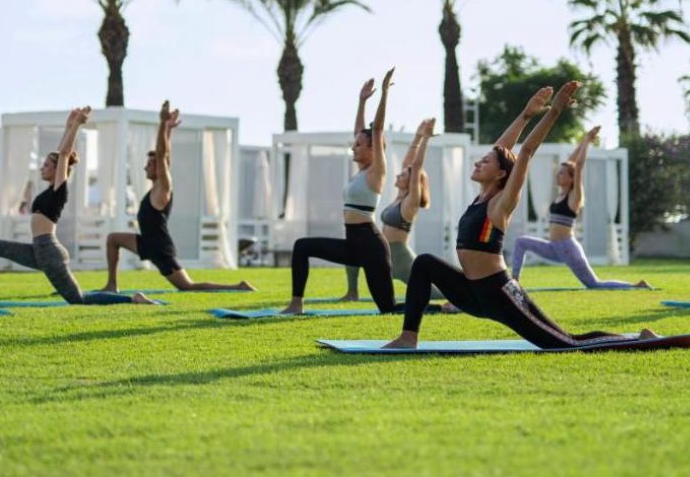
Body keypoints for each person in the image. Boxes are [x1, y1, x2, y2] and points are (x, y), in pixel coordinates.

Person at [383, 82, 659, 350]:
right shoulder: (481, 197)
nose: (479, 162)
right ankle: (408, 337)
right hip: (471, 291)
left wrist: (554, 112)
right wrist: (525, 115)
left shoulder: (501, 204)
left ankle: (638, 339)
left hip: (499, 293)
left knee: (564, 342)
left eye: (486, 162)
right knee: (424, 264)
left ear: (502, 174)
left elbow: (525, 151)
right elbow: (501, 150)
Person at [0, 107, 158, 307]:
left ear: (57, 170)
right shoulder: (50, 190)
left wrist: (76, 126)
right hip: (38, 250)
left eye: (46, 165)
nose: (42, 167)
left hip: (49, 252)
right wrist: (69, 126)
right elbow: (61, 154)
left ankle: (133, 299)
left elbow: (64, 154)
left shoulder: (59, 190)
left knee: (79, 299)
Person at [98, 101, 254, 293]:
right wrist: (168, 130)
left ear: (158, 167)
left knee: (188, 287)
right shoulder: (156, 186)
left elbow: (162, 155)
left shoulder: (163, 187)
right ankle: (112, 285)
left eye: (149, 164)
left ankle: (238, 287)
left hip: (159, 248)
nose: (145, 167)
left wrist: (162, 123)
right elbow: (165, 156)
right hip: (147, 242)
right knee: (113, 239)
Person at [281, 69, 399, 314]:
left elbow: (376, 130)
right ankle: (296, 304)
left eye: (358, 145)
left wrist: (385, 93)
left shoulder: (376, 171)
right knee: (302, 246)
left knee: (389, 309)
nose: (353, 147)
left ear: (373, 149)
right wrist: (361, 101)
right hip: (353, 243)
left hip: (371, 245)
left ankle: (441, 309)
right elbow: (361, 132)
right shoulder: (361, 171)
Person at [510, 125, 652, 289]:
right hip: (553, 247)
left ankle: (637, 285)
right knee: (521, 241)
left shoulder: (574, 197)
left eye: (562, 173)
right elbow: (570, 163)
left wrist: (587, 143)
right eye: (559, 172)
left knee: (594, 284)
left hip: (568, 248)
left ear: (571, 178)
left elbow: (578, 166)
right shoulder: (561, 194)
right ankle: (514, 280)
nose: (558, 174)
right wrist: (584, 139)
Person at [339, 117, 443, 301]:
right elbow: (409, 164)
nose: (398, 174)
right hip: (385, 251)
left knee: (431, 293)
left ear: (412, 181)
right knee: (353, 252)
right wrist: (418, 136)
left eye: (403, 175)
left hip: (400, 258)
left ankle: (458, 298)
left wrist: (426, 139)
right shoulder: (398, 198)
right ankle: (352, 292)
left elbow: (415, 167)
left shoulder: (411, 202)